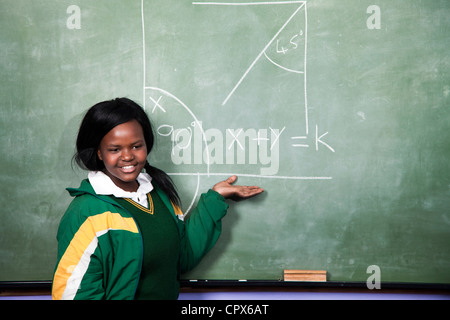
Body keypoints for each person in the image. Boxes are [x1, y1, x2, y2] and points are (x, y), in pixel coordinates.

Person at [52, 97, 264, 300]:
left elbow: (182, 256)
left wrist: (215, 198)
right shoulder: (86, 212)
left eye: (136, 146)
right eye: (115, 149)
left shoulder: (159, 194)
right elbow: (75, 294)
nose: (127, 156)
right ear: (99, 153)